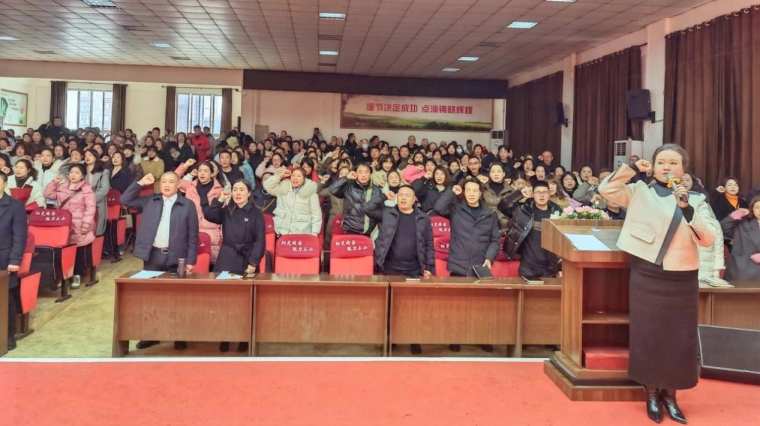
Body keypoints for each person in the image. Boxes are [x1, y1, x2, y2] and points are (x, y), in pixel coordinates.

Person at [599, 145, 716, 424]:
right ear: (653, 166)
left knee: (679, 338)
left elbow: (707, 239)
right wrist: (632, 169)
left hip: (682, 276)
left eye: (673, 163)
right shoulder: (640, 191)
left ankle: (671, 395)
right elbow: (607, 189)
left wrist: (686, 208)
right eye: (661, 162)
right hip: (647, 272)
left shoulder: (696, 199)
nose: (667, 167)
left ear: (683, 169)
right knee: (648, 334)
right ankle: (651, 393)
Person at [120, 173, 199, 351]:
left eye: (171, 182)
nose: (167, 185)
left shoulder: (188, 205)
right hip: (153, 256)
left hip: (177, 258)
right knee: (151, 297)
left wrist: (191, 260)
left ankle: (179, 335)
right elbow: (125, 200)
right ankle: (151, 335)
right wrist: (140, 183)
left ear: (178, 185)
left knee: (177, 299)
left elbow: (193, 236)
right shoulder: (150, 200)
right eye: (163, 181)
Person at [365, 184, 435, 355]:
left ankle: (413, 339)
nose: (403, 198)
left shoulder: (423, 218)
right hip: (390, 267)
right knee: (390, 307)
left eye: (407, 195)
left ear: (414, 199)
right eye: (401, 195)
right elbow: (367, 209)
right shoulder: (388, 213)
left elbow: (428, 243)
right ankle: (390, 339)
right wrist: (383, 197)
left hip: (413, 269)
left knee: (413, 307)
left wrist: (429, 266)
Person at [203, 180, 265, 353]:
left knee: (245, 302)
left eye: (242, 190)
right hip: (227, 256)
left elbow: (260, 240)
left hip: (247, 258)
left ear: (249, 193)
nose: (238, 193)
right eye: (235, 190)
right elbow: (209, 215)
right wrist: (219, 200)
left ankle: (244, 337)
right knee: (225, 300)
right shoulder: (227, 210)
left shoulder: (256, 213)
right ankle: (225, 336)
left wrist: (253, 262)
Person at [43, 164, 97, 288]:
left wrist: (86, 225)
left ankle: (77, 275)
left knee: (78, 251)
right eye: (71, 172)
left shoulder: (87, 190)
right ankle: (63, 276)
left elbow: (90, 209)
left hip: (79, 225)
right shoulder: (62, 187)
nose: (73, 175)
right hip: (62, 225)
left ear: (83, 176)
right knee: (63, 251)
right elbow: (47, 195)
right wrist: (54, 183)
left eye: (77, 173)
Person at [434, 178, 500, 277]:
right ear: (464, 193)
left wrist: (489, 258)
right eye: (468, 190)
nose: (471, 194)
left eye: (475, 191)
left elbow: (495, 240)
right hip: (458, 266)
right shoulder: (456, 209)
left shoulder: (490, 214)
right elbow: (438, 207)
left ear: (480, 193)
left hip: (479, 266)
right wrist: (452, 192)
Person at [499, 181, 563, 279]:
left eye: (545, 192)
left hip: (549, 267)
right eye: (538, 192)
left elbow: (563, 242)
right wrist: (519, 193)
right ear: (532, 194)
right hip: (527, 265)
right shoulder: (523, 209)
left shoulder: (558, 213)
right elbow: (503, 206)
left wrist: (560, 267)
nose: (541, 195)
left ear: (549, 194)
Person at [175, 159, 224, 264]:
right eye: (200, 171)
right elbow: (173, 178)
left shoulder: (219, 190)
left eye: (206, 171)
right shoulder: (190, 186)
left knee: (210, 264)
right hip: (191, 227)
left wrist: (221, 235)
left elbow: (222, 215)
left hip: (211, 231)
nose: (202, 173)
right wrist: (185, 165)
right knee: (191, 263)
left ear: (212, 173)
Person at [0, 171, 27, 351]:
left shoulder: (15, 206)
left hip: (5, 258)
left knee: (6, 299)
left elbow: (20, 237)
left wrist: (15, 260)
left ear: (4, 184)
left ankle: (8, 335)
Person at [329, 163, 385, 237]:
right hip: (351, 229)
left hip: (369, 231)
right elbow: (333, 189)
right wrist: (347, 177)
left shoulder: (377, 190)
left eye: (366, 172)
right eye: (360, 172)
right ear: (355, 173)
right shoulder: (349, 187)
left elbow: (381, 212)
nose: (363, 175)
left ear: (370, 174)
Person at [263, 168, 322, 236]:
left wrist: (314, 233)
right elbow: (267, 186)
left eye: (299, 176)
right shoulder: (283, 189)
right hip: (282, 231)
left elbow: (316, 215)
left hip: (301, 233)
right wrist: (279, 176)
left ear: (304, 179)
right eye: (293, 175)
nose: (295, 178)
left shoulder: (310, 194)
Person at [721, 196, 760, 281]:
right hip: (742, 271)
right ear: (752, 208)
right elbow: (723, 230)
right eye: (757, 207)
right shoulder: (743, 223)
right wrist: (732, 217)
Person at [84, 149, 110, 236]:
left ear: (96, 157)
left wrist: (90, 199)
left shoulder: (103, 171)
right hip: (82, 202)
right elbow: (63, 170)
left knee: (96, 229)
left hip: (97, 201)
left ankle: (97, 243)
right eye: (85, 156)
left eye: (90, 155)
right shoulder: (81, 170)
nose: (87, 157)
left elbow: (104, 189)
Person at [482, 163, 513, 233]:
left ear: (503, 174)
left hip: (506, 230)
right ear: (489, 174)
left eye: (499, 171)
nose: (496, 174)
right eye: (493, 171)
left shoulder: (511, 191)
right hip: (487, 230)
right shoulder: (483, 189)